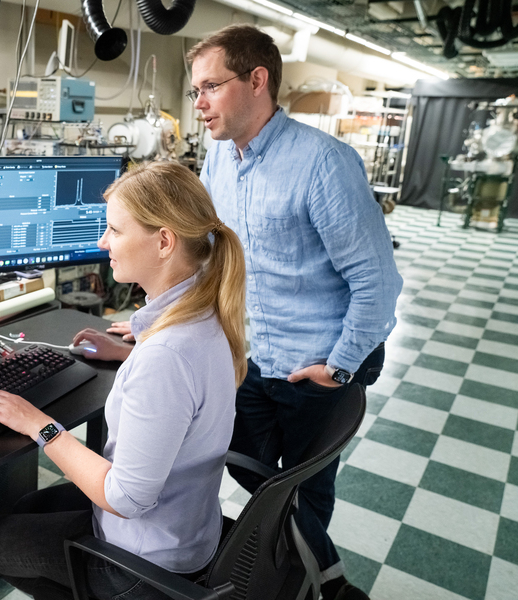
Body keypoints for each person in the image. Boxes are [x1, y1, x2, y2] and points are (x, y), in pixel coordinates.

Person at [186, 24, 402, 600]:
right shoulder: (218, 162)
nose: (200, 103)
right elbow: (213, 260)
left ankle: (312, 586)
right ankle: (302, 572)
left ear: (257, 80)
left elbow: (377, 282)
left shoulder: (323, 163)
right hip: (250, 361)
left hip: (314, 373)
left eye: (210, 87)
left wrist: (341, 364)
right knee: (250, 473)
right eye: (195, 91)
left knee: (302, 493)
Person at [0, 161, 247, 600]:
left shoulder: (165, 357)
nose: (104, 243)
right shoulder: (205, 313)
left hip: (146, 565)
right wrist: (130, 353)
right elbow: (178, 379)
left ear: (163, 241)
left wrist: (37, 424)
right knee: (27, 508)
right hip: (190, 529)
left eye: (115, 231)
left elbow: (125, 499)